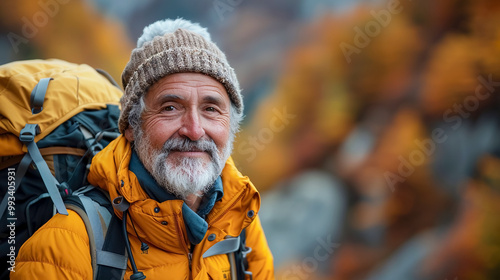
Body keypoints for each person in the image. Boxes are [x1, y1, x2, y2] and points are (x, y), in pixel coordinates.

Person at [12, 18, 274, 279]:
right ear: (132, 127)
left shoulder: (239, 220)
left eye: (211, 109)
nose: (194, 130)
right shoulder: (66, 246)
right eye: (170, 107)